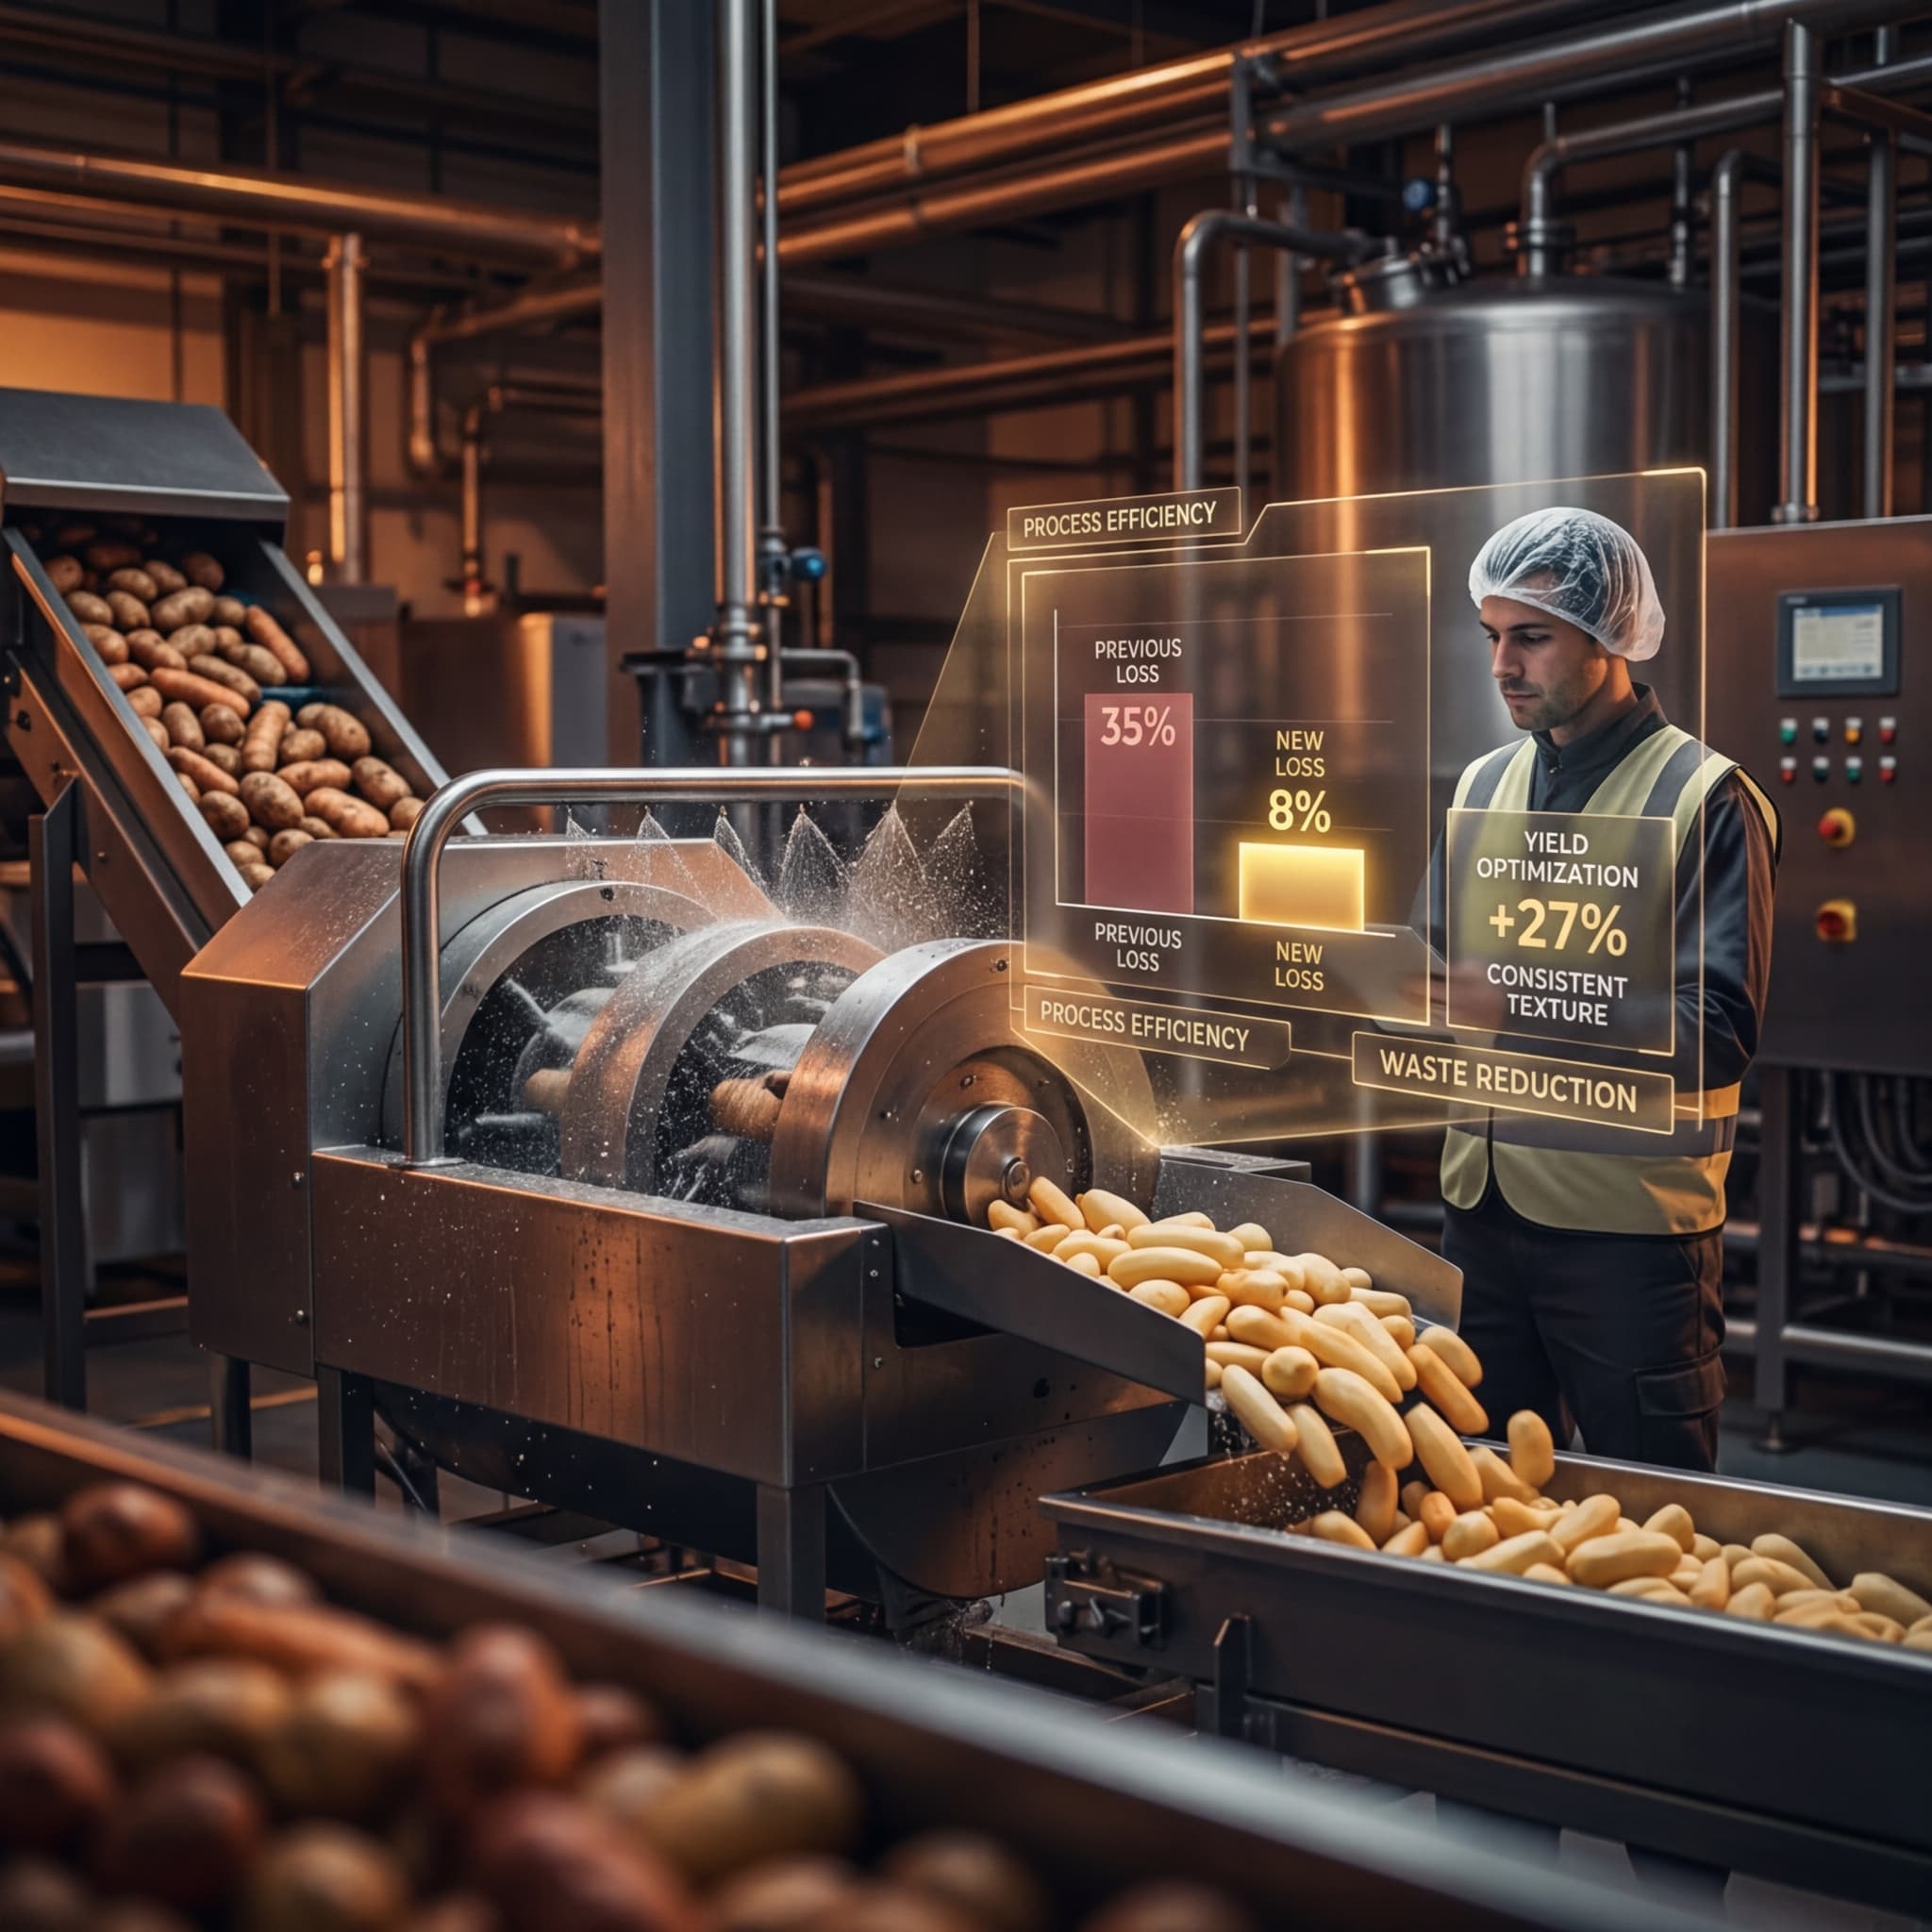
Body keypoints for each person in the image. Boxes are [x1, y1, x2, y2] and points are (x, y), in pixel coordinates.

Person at [1426, 507, 1780, 1474]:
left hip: (1626, 1241)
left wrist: (1515, 1004)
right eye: (1492, 636)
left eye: (1531, 637)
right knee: (1472, 1506)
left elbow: (1715, 1027)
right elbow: (1432, 974)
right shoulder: (1479, 786)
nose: (1503, 664)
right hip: (1479, 1223)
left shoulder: (1703, 797)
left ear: (1608, 636)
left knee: (1645, 1528)